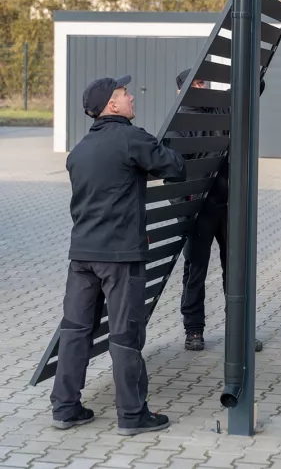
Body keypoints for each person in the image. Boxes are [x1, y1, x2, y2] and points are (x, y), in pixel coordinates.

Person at [50, 75, 186, 436]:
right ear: (112, 105)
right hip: (120, 257)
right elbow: (175, 167)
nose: (131, 98)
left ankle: (65, 408)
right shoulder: (131, 138)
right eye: (125, 94)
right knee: (125, 335)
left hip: (81, 254)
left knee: (75, 331)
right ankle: (132, 415)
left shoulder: (78, 151)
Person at [172, 69, 263, 353]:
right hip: (198, 210)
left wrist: (253, 67)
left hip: (228, 206)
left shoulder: (221, 110)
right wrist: (184, 212)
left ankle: (240, 330)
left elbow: (252, 88)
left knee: (235, 268)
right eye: (196, 83)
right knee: (195, 270)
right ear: (182, 90)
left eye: (203, 81)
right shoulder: (179, 122)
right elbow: (172, 175)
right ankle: (194, 330)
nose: (201, 86)